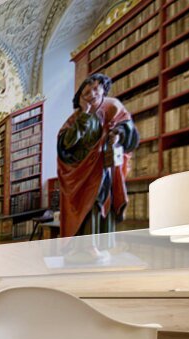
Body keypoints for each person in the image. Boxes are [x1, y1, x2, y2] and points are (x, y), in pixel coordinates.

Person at [57, 73, 139, 237]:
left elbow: (128, 129)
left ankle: (100, 246)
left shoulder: (112, 106)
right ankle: (85, 248)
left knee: (102, 203)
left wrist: (118, 134)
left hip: (104, 169)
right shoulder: (75, 119)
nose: (92, 94)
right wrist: (85, 115)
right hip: (81, 174)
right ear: (80, 98)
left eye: (96, 89)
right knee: (87, 206)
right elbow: (65, 144)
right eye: (87, 93)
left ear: (103, 89)